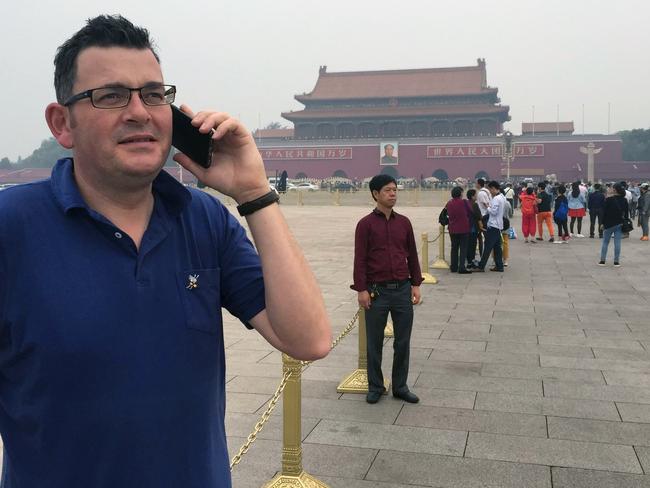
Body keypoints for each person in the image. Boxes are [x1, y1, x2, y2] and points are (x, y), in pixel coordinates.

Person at [0, 16, 331, 488]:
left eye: (154, 94)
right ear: (62, 123)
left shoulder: (204, 219)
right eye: (111, 95)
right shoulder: (12, 226)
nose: (140, 111)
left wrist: (255, 192)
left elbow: (309, 339)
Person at [352, 174, 422, 405]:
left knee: (403, 342)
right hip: (376, 292)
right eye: (387, 190)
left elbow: (411, 254)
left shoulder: (404, 223)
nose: (393, 194)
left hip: (402, 290)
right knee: (374, 342)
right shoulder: (365, 225)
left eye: (394, 190)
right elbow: (360, 260)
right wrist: (362, 290)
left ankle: (400, 386)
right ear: (375, 194)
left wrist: (416, 284)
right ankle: (375, 386)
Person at [474, 180, 506, 272]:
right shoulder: (502, 197)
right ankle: (499, 266)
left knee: (488, 247)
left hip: (493, 225)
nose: (490, 192)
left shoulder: (496, 199)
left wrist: (488, 207)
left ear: (493, 188)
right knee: (497, 248)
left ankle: (481, 266)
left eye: (490, 189)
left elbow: (493, 211)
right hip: (498, 225)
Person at [599, 183, 628, 266]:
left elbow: (604, 213)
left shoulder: (609, 199)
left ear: (615, 190)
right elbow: (626, 214)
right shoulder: (624, 200)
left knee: (605, 242)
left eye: (612, 188)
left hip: (608, 224)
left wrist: (602, 223)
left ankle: (602, 261)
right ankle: (616, 262)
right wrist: (624, 222)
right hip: (619, 224)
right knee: (617, 243)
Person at [445, 186, 472, 274]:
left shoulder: (449, 203)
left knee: (454, 248)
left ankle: (454, 266)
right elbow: (470, 212)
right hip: (463, 228)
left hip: (452, 228)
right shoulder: (464, 202)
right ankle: (461, 267)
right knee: (463, 248)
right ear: (460, 193)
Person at [465, 189, 484, 268]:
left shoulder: (465, 203)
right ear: (472, 196)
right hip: (473, 227)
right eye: (476, 195)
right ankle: (471, 261)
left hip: (466, 227)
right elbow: (478, 217)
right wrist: (481, 226)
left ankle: (468, 261)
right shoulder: (474, 204)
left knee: (467, 245)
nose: (476, 196)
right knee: (472, 245)